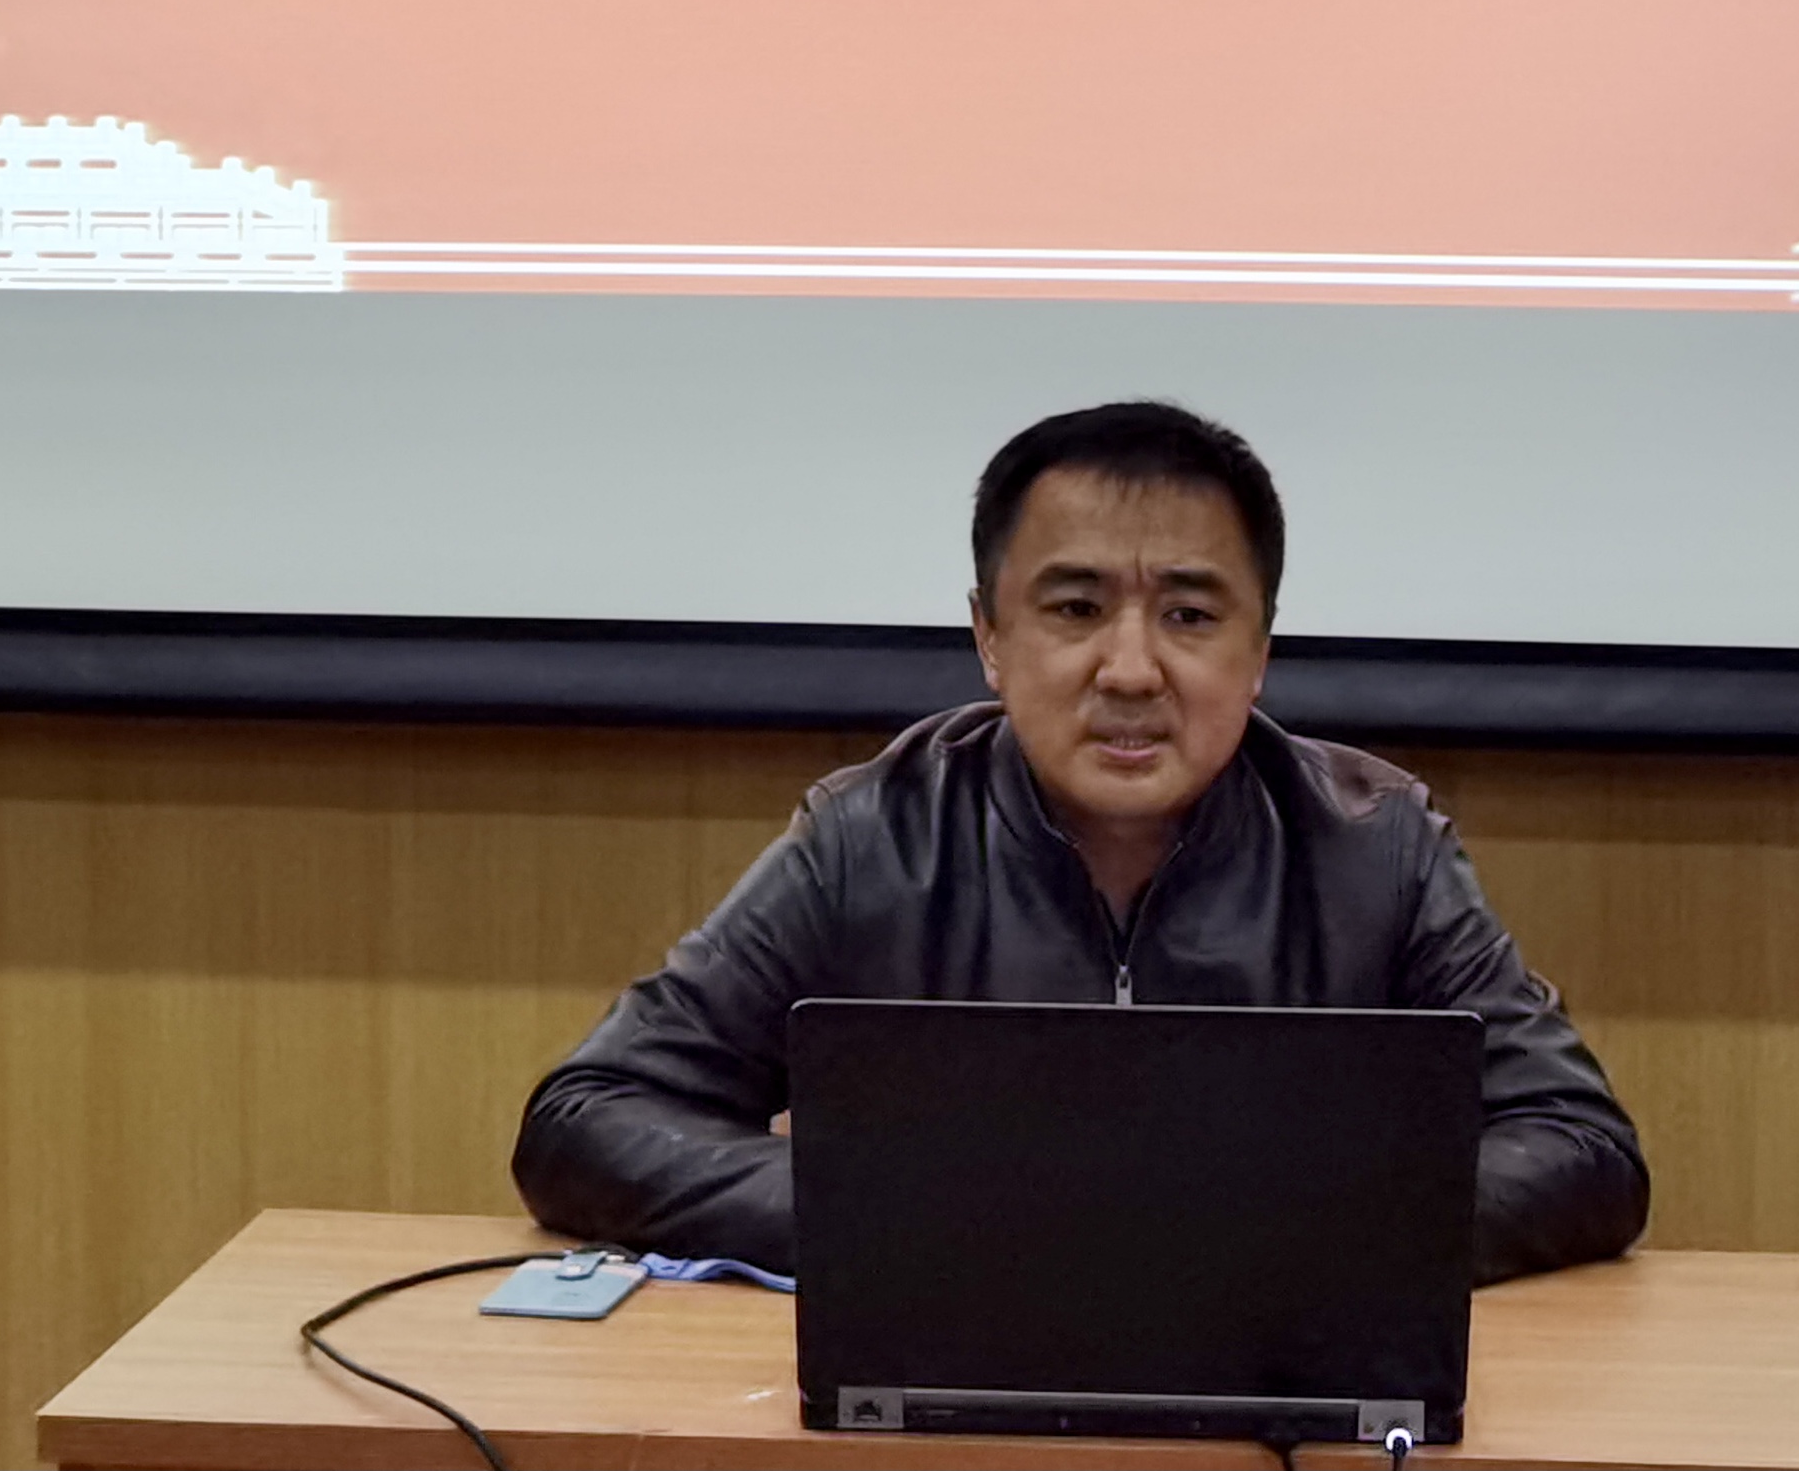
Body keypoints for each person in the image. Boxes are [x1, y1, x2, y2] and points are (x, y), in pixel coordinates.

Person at [510, 398, 1651, 1281]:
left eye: (1190, 615)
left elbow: (1580, 1148)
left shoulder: (1373, 846)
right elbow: (587, 1120)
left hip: (1268, 1380)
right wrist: (928, 1212)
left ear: (1260, 652)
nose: (1131, 669)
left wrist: (1269, 1225)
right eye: (1074, 608)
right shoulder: (873, 835)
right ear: (989, 638)